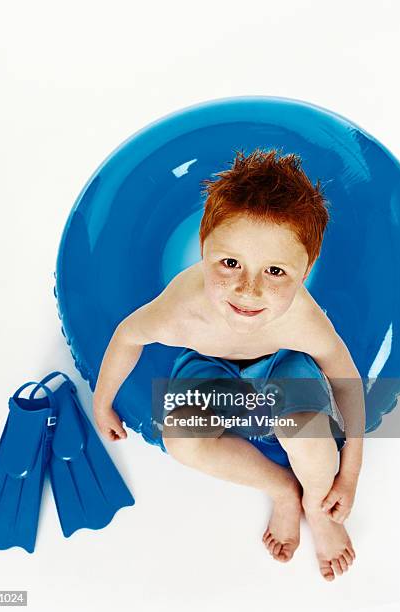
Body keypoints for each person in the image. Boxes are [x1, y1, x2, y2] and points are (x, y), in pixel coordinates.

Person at [93, 148, 365, 581]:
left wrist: (348, 475)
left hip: (283, 361)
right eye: (230, 263)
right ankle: (282, 490)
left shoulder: (303, 322)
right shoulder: (183, 310)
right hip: (208, 361)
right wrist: (102, 401)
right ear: (203, 250)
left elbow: (346, 382)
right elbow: (127, 335)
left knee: (310, 438)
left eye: (275, 271)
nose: (247, 289)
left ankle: (318, 508)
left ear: (307, 270)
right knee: (183, 440)